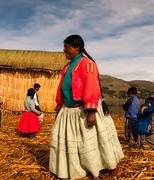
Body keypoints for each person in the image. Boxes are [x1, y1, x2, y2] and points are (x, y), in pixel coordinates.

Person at [49, 34, 124, 179]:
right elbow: (62, 89)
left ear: (76, 48)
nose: (64, 50)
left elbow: (92, 87)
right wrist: (59, 108)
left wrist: (91, 111)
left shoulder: (87, 64)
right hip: (68, 110)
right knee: (73, 143)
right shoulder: (67, 67)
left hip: (84, 109)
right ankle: (76, 169)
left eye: (67, 47)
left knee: (94, 141)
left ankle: (112, 167)